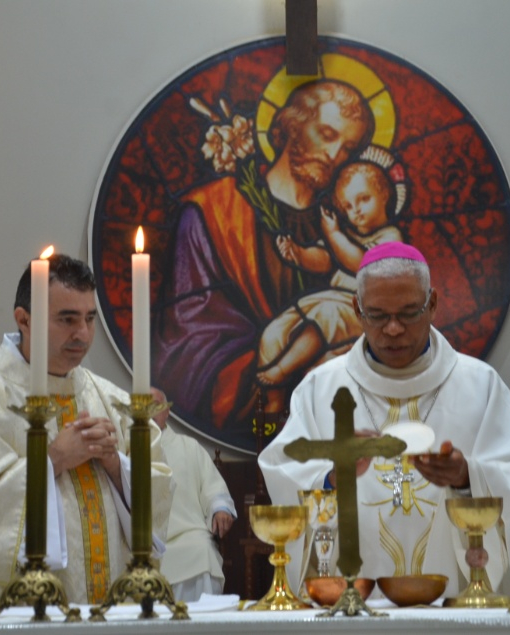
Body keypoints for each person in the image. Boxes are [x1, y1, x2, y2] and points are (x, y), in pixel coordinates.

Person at [258, 242, 510, 598]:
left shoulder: (480, 385)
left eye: (408, 313)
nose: (392, 329)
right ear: (357, 308)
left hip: (459, 600)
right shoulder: (320, 389)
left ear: (432, 304)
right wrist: (331, 476)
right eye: (377, 314)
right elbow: (282, 473)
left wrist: (467, 476)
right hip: (352, 600)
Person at [0, 254, 174, 609]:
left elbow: (159, 490)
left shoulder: (110, 398)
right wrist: (52, 459)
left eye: (90, 319)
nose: (82, 334)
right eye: (67, 319)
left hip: (110, 610)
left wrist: (115, 464)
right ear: (24, 320)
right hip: (20, 615)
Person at [154, 80, 375, 443]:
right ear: (290, 124)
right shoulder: (213, 211)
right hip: (248, 405)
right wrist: (278, 366)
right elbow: (187, 344)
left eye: (348, 147)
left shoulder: (347, 226)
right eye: (327, 133)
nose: (336, 154)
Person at [257, 150, 405, 413]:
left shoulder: (390, 236)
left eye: (363, 199)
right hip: (329, 299)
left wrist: (334, 233)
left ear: (384, 195)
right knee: (277, 330)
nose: (355, 210)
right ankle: (274, 403)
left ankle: (282, 369)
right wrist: (299, 254)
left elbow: (361, 262)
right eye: (347, 206)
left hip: (362, 311)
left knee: (327, 315)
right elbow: (325, 259)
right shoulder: (344, 236)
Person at [151, 388, 235, 601]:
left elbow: (213, 488)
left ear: (167, 411)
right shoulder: (125, 448)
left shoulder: (189, 447)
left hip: (188, 536)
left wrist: (220, 510)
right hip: (141, 543)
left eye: (155, 406)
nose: (149, 413)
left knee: (202, 551)